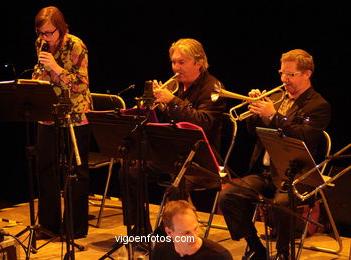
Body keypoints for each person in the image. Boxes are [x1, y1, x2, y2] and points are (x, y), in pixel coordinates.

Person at [219, 49, 331, 260]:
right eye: (281, 73)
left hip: (297, 176)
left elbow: (304, 136)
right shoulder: (277, 97)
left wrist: (273, 116)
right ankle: (255, 246)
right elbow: (254, 132)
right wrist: (255, 112)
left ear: (307, 74)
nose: (283, 79)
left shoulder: (318, 105)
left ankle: (283, 254)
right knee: (228, 195)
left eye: (290, 74)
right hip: (267, 173)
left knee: (282, 204)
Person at [119, 38, 226, 230]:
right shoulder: (178, 86)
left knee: (177, 185)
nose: (176, 68)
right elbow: (161, 125)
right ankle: (139, 231)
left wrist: (172, 102)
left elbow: (204, 123)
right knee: (130, 170)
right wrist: (156, 107)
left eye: (181, 62)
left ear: (199, 62)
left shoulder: (213, 88)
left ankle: (166, 237)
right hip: (172, 153)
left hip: (202, 159)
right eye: (174, 62)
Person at [32, 6, 93, 239]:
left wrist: (56, 68)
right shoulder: (41, 44)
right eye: (41, 33)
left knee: (76, 172)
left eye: (49, 33)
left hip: (75, 114)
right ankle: (49, 225)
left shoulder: (76, 45)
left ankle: (74, 228)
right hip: (48, 111)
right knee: (45, 167)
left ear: (61, 27)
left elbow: (81, 84)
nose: (45, 38)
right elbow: (41, 74)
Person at [151, 200, 232, 259]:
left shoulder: (219, 256)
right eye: (186, 233)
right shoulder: (160, 251)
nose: (194, 237)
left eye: (196, 228)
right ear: (169, 232)